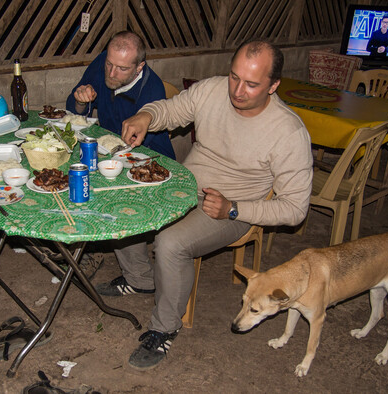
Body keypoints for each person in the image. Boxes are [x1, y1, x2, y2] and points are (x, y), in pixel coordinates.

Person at [95, 38, 313, 370]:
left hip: (232, 208)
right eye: (234, 76)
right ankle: (140, 277)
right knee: (118, 194)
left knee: (170, 243)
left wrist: (235, 208)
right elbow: (169, 109)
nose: (237, 90)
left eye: (251, 84)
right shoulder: (212, 90)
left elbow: (295, 208)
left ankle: (165, 327)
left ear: (273, 86)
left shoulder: (288, 133)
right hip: (183, 187)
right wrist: (145, 116)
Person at [66, 31, 175, 159]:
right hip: (108, 148)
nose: (111, 74)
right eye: (109, 64)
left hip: (151, 156)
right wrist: (81, 101)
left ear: (139, 67)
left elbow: (135, 145)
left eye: (122, 69)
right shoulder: (101, 62)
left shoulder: (153, 89)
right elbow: (74, 115)